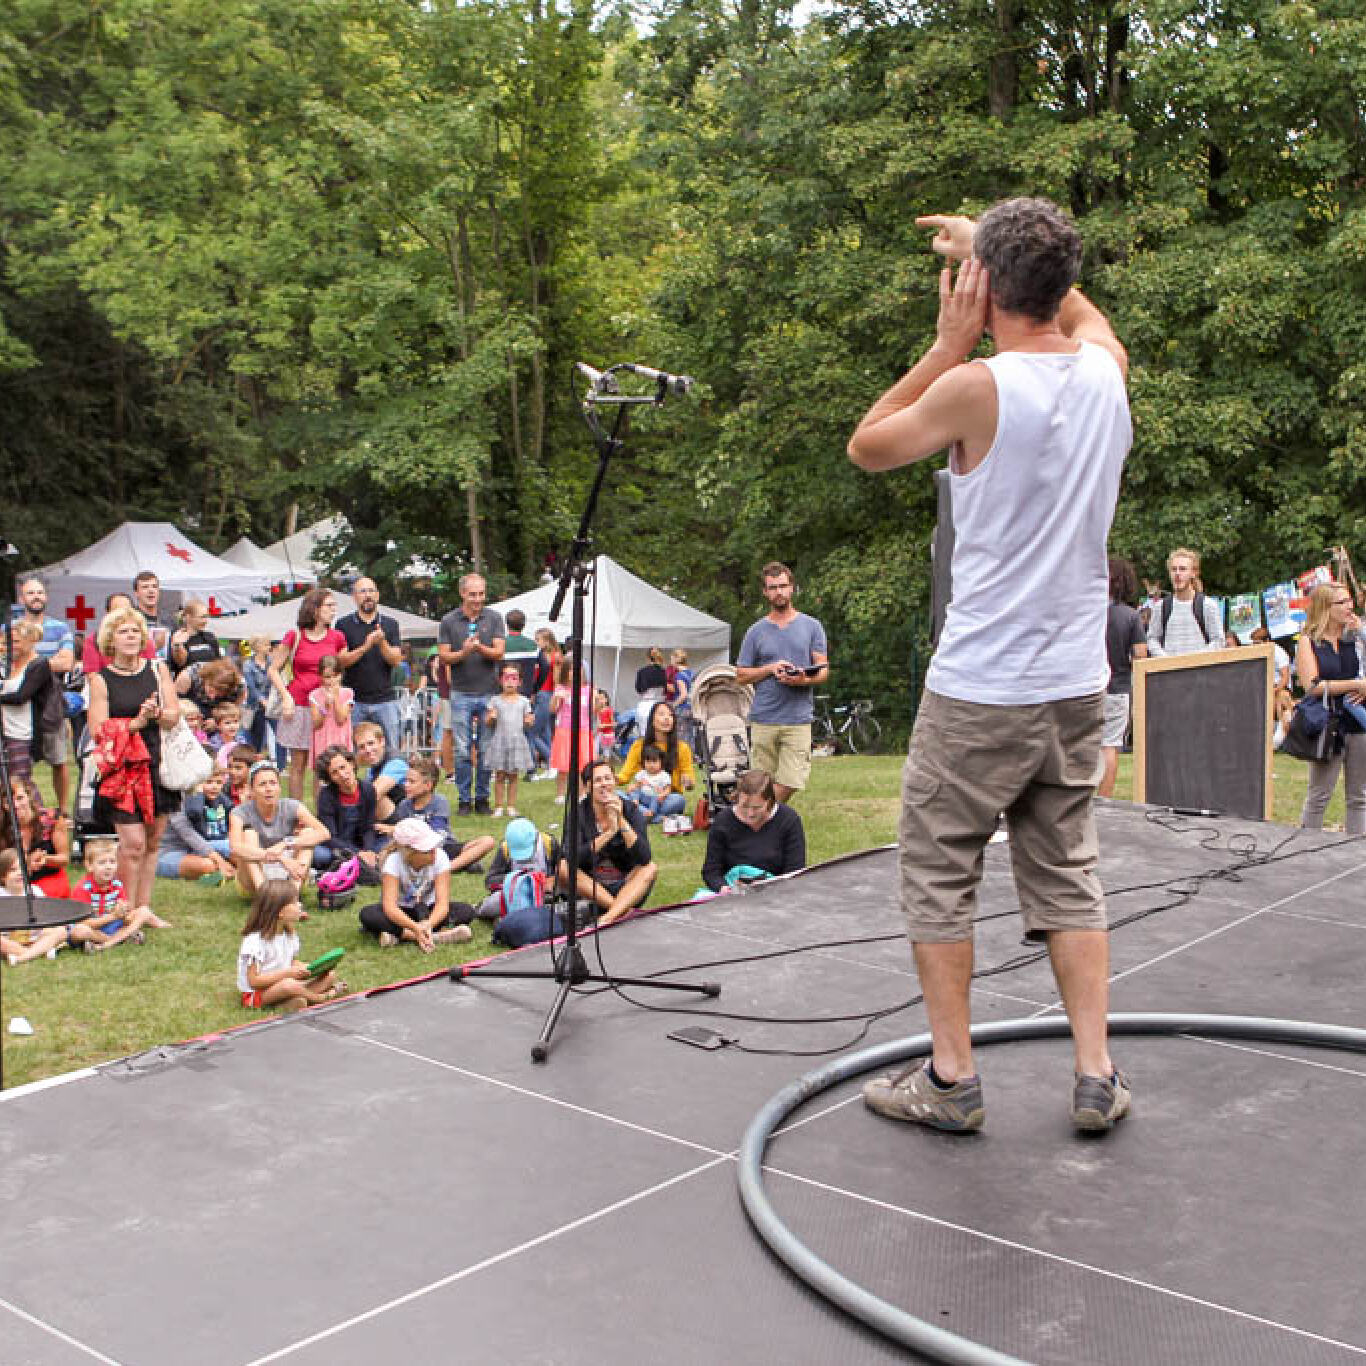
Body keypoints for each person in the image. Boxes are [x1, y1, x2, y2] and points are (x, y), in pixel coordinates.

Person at [847, 198, 1133, 1133]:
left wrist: (945, 343)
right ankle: (1096, 1074)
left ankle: (952, 1081)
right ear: (1061, 283)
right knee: (1068, 871)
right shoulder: (1106, 373)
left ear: (984, 289)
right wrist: (997, 252)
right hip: (1074, 683)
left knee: (939, 873)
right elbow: (1088, 320)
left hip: (981, 686)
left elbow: (869, 444)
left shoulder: (976, 385)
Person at [86, 606, 180, 927]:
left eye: (135, 631)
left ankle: (143, 908)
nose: (130, 637)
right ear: (110, 639)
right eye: (123, 631)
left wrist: (157, 714)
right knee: (132, 844)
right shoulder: (101, 680)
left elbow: (174, 716)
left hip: (158, 762)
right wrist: (135, 723)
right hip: (123, 770)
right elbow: (98, 729)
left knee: (152, 841)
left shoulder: (158, 669)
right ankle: (123, 911)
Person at [735, 562, 829, 804]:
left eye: (783, 586)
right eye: (773, 587)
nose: (779, 592)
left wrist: (802, 679)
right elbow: (741, 675)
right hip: (764, 717)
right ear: (765, 592)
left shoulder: (812, 626)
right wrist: (769, 668)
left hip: (798, 717)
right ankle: (760, 816)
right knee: (760, 783)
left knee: (792, 780)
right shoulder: (755, 631)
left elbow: (823, 671)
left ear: (792, 588)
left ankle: (755, 812)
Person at [1296, 583, 1366, 835]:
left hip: (1358, 722)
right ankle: (1305, 847)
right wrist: (1355, 685)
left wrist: (1361, 634)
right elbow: (1313, 686)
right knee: (1319, 795)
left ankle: (1356, 849)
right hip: (1328, 724)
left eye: (1350, 601)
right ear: (1326, 607)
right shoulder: (1309, 641)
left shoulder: (1353, 638)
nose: (1350, 606)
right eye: (1342, 602)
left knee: (1359, 796)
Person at [438, 573, 506, 816]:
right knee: (462, 749)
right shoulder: (449, 620)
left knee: (486, 748)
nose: (478, 599)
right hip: (460, 692)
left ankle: (483, 798)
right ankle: (464, 799)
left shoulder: (494, 618)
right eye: (473, 594)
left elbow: (499, 652)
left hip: (488, 692)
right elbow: (444, 656)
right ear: (463, 594)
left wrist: (479, 648)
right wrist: (464, 652)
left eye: (481, 594)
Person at [268, 587, 346, 800]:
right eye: (329, 605)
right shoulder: (295, 636)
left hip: (324, 705)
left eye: (334, 606)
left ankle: (322, 812)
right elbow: (273, 669)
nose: (334, 610)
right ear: (315, 609)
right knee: (298, 764)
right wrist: (286, 696)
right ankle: (296, 812)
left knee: (323, 765)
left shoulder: (337, 637)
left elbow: (342, 668)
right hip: (300, 703)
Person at [563, 758, 657, 927]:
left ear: (614, 781)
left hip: (625, 883)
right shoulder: (578, 814)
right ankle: (620, 909)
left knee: (650, 868)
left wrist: (621, 821)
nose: (604, 784)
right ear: (587, 787)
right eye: (598, 780)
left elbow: (644, 857)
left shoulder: (630, 810)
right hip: (592, 887)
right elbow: (573, 857)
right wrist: (608, 834)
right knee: (563, 867)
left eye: (608, 778)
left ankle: (608, 917)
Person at [359, 817, 474, 949]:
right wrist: (415, 928)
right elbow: (390, 907)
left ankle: (398, 936)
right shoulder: (393, 862)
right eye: (427, 851)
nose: (434, 853)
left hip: (430, 910)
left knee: (466, 911)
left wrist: (428, 924)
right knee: (368, 914)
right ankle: (425, 936)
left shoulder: (441, 857)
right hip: (402, 912)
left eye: (434, 848)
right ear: (409, 853)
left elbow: (442, 903)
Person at [11, 577, 75, 813]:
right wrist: (47, 663)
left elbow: (66, 662)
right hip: (17, 707)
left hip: (49, 704)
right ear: (22, 599)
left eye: (39, 592)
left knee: (58, 760)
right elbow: (6, 661)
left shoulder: (60, 628)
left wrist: (31, 663)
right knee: (18, 764)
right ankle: (24, 811)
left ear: (46, 597)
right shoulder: (10, 629)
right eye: (31, 593)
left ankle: (62, 811)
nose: (36, 597)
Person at [238, 881, 346, 1011]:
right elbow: (254, 982)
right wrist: (288, 973)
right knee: (288, 985)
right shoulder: (255, 941)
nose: (299, 905)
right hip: (256, 995)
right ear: (280, 912)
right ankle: (321, 998)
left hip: (285, 984)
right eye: (294, 903)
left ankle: (290, 1002)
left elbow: (290, 961)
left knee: (329, 975)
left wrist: (310, 968)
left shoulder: (288, 934)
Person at [228, 758, 328, 896]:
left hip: (290, 870)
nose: (269, 789)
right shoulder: (239, 812)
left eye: (273, 783)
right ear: (251, 790)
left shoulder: (292, 806)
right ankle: (264, 895)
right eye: (262, 784)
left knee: (308, 832)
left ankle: (292, 896)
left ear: (280, 787)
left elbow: (324, 833)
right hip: (255, 872)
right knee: (249, 834)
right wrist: (278, 858)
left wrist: (286, 843)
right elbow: (235, 847)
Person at [701, 769, 807, 892]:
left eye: (757, 807)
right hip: (733, 892)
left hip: (777, 891)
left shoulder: (788, 820)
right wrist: (723, 888)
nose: (750, 813)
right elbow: (711, 871)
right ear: (737, 798)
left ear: (769, 801)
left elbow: (795, 871)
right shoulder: (723, 821)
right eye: (744, 806)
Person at [385, 755, 495, 873]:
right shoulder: (404, 805)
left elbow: (438, 835)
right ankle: (463, 863)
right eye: (406, 781)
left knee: (487, 841)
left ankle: (446, 868)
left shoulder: (439, 802)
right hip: (415, 850)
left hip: (444, 847)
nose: (406, 785)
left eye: (412, 782)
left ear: (428, 785)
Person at [335, 577, 403, 753]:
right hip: (354, 701)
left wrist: (382, 642)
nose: (368, 596)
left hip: (385, 700)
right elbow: (341, 661)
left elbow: (396, 660)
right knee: (350, 752)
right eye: (363, 591)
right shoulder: (343, 625)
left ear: (378, 595)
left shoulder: (390, 624)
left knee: (392, 750)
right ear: (354, 597)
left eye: (371, 591)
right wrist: (365, 646)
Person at [1099, 556, 1148, 799]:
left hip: (1089, 688)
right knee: (1110, 746)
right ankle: (1103, 799)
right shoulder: (1130, 616)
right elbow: (1140, 654)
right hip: (1118, 687)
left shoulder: (1088, 614)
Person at [68, 835, 157, 951]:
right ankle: (121, 938)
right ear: (89, 866)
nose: (108, 867)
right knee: (79, 931)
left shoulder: (117, 885)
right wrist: (113, 916)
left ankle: (104, 944)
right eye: (102, 863)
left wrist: (123, 913)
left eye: (112, 862)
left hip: (112, 924)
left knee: (144, 911)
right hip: (91, 927)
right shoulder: (83, 888)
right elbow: (85, 922)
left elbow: (125, 916)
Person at [616, 700, 695, 829]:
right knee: (616, 795)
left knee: (679, 800)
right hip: (642, 797)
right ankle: (656, 817)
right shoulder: (639, 745)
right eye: (662, 714)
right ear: (652, 721)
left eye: (670, 715)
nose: (667, 718)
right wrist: (611, 778)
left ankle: (637, 813)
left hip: (665, 799)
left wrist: (688, 782)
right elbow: (624, 775)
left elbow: (690, 781)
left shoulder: (682, 748)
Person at [313, 745, 385, 879]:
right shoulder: (326, 795)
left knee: (387, 843)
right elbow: (330, 837)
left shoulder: (368, 789)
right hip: (336, 845)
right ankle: (357, 864)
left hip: (360, 843)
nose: (342, 774)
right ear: (330, 778)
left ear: (351, 764)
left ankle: (357, 864)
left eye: (343, 767)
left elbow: (368, 827)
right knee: (320, 855)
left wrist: (368, 851)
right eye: (334, 773)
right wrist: (357, 853)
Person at [0, 621, 58, 785]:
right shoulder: (6, 665)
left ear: (29, 641)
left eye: (16, 641)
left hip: (23, 732)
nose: (11, 646)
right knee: (4, 785)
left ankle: (34, 804)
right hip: (5, 730)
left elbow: (21, 696)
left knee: (20, 782)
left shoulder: (39, 665)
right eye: (7, 642)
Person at [157, 770, 236, 883]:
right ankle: (218, 872)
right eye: (208, 782)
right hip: (169, 852)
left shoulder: (212, 795)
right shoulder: (173, 795)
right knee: (208, 865)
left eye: (218, 783)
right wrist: (219, 860)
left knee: (234, 849)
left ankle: (236, 870)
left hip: (196, 848)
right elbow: (187, 833)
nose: (214, 786)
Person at [0, 774, 72, 897]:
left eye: (20, 798)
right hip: (14, 881)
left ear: (29, 796)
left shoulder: (52, 819)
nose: (15, 805)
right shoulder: (3, 826)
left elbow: (64, 859)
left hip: (48, 878)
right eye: (8, 802)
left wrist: (45, 859)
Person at [1147, 547, 1222, 656]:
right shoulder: (1161, 607)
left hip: (1200, 666)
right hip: (1169, 666)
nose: (1177, 573)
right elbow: (1152, 639)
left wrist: (1194, 659)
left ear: (1193, 573)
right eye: (1174, 569)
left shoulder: (1208, 605)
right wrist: (1165, 659)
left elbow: (1219, 641)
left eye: (1182, 569)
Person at [484, 665, 534, 817]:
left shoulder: (524, 701)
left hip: (517, 742)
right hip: (500, 741)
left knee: (513, 776)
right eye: (506, 678)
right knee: (499, 775)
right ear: (500, 680)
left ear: (519, 682)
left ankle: (511, 806)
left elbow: (529, 720)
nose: (510, 682)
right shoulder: (495, 700)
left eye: (514, 678)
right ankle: (499, 806)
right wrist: (491, 717)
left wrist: (529, 721)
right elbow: (488, 721)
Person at [549, 655, 593, 805]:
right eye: (571, 670)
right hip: (565, 730)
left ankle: (582, 793)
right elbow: (553, 709)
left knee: (583, 765)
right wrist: (556, 697)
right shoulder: (561, 689)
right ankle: (561, 794)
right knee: (563, 765)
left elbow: (593, 711)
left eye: (578, 670)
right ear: (565, 672)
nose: (575, 673)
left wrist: (598, 704)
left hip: (583, 731)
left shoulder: (588, 690)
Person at [175, 657, 247, 746]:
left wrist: (217, 721)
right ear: (206, 679)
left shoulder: (239, 687)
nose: (212, 697)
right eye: (211, 690)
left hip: (220, 722)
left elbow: (236, 712)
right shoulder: (189, 676)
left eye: (219, 694)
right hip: (189, 717)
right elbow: (174, 705)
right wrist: (193, 720)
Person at [353, 720, 407, 820]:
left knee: (376, 798)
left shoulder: (396, 762)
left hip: (409, 819)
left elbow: (373, 794)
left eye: (371, 743)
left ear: (382, 741)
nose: (367, 750)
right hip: (392, 816)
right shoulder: (374, 765)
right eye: (361, 747)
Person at [1251, 626, 1296, 740]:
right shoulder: (1258, 653)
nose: (1255, 646)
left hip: (1280, 688)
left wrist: (1274, 690)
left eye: (1257, 643)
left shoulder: (1279, 653)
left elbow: (1285, 677)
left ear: (1267, 641)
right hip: (1264, 687)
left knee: (1280, 698)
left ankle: (1279, 735)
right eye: (1254, 644)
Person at [308, 654, 354, 766]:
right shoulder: (314, 695)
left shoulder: (348, 693)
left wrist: (336, 698)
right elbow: (316, 724)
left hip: (340, 739)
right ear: (320, 676)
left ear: (340, 675)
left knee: (341, 766)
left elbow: (341, 719)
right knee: (323, 770)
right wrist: (325, 707)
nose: (332, 680)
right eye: (328, 677)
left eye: (335, 676)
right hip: (322, 740)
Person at [529, 629, 559, 777]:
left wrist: (556, 698)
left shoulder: (554, 656)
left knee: (531, 732)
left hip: (546, 694)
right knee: (545, 732)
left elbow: (557, 679)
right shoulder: (540, 655)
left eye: (538, 639)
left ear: (547, 641)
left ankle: (552, 761)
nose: (536, 642)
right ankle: (550, 766)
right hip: (541, 694)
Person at [168, 599, 222, 677]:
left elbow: (219, 663)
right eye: (202, 617)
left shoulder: (210, 637)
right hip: (187, 682)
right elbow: (180, 663)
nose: (205, 621)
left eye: (206, 617)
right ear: (188, 617)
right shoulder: (177, 636)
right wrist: (178, 644)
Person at [241, 636, 275, 757]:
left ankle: (277, 760)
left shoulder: (272, 662)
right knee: (255, 736)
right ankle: (253, 757)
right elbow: (251, 687)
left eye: (269, 644)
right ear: (257, 647)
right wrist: (262, 700)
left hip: (272, 703)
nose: (269, 647)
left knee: (277, 733)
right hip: (254, 706)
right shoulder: (248, 664)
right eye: (266, 645)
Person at [633, 646, 669, 741]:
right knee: (660, 734)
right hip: (660, 705)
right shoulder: (664, 672)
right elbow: (666, 690)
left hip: (645, 705)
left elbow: (639, 689)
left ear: (648, 657)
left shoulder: (642, 672)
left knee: (644, 734)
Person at [132, 570, 169, 658]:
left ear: (158, 591)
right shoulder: (130, 619)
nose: (151, 590)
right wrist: (155, 646)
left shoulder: (169, 619)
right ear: (136, 593)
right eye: (145, 587)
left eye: (154, 586)